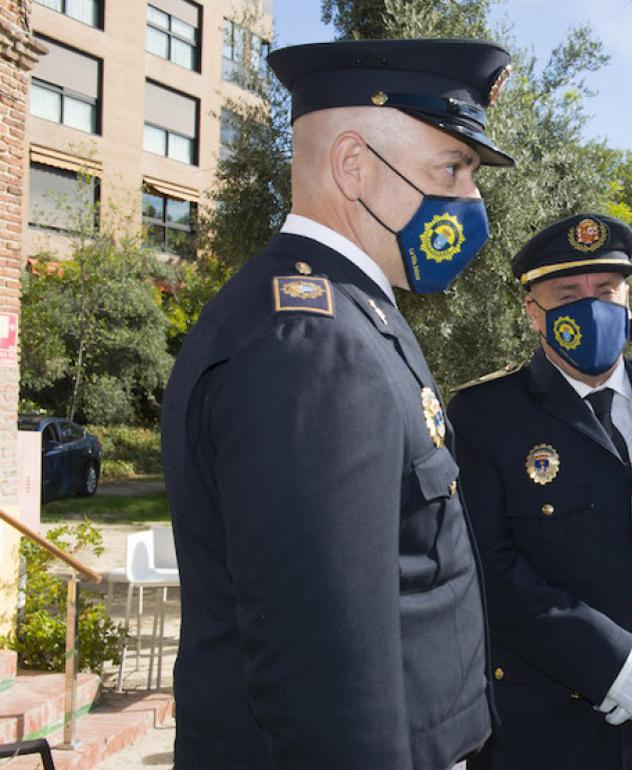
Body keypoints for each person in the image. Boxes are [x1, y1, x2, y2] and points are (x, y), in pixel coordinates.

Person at [161, 39, 515, 770]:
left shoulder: (350, 316)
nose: (471, 201)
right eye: (451, 168)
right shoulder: (310, 346)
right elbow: (323, 670)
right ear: (353, 166)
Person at [447, 213, 632, 770]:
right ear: (534, 313)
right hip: (541, 728)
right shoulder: (486, 416)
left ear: (628, 297)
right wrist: (610, 662)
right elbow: (486, 560)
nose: (592, 306)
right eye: (567, 293)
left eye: (607, 290)